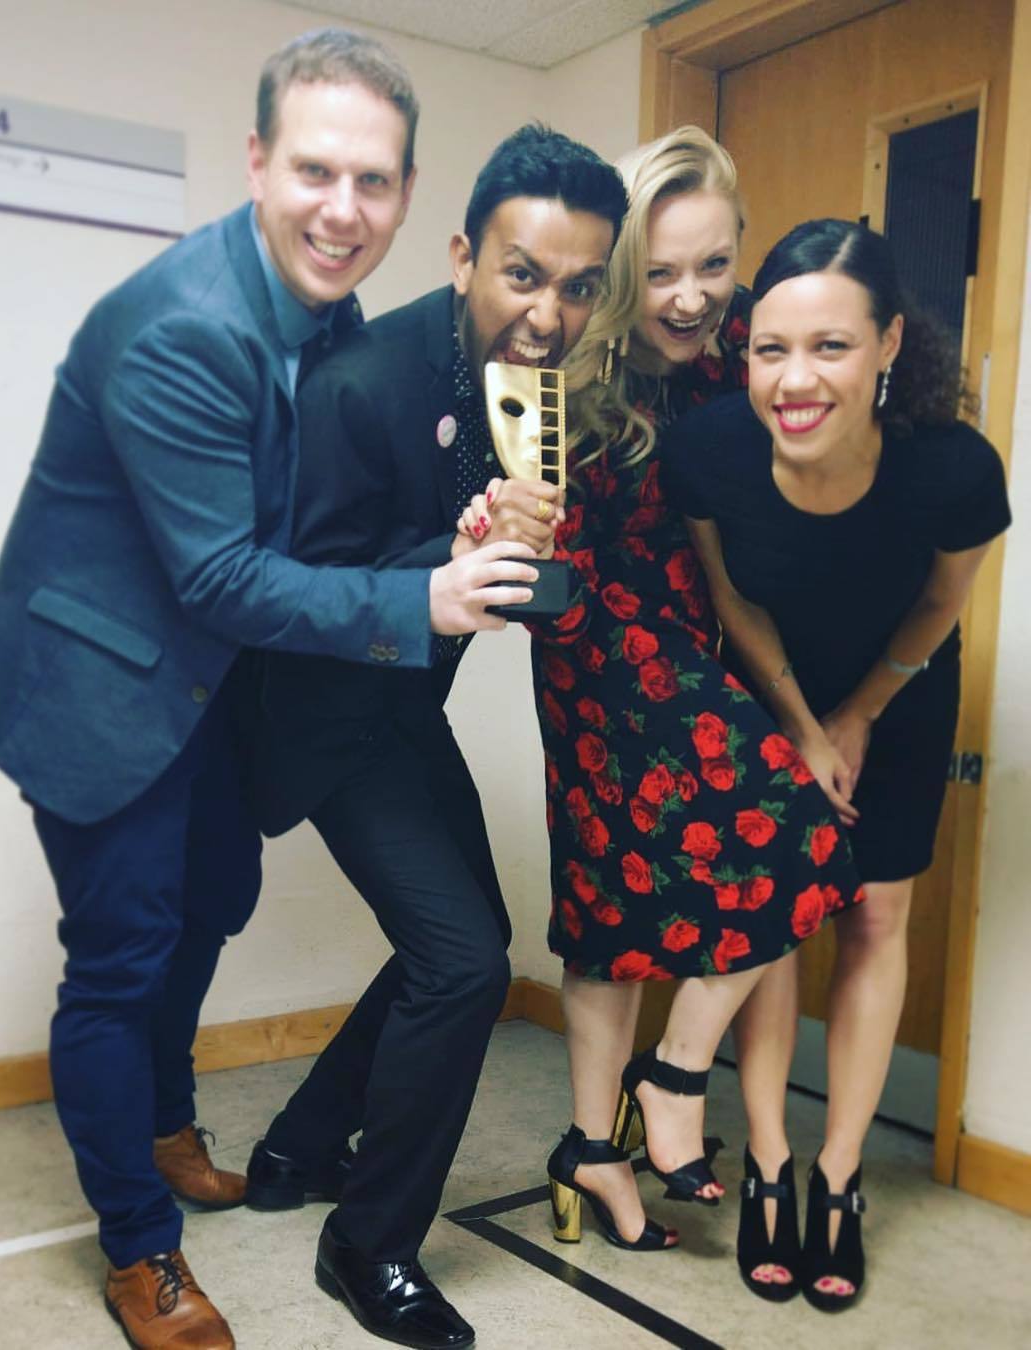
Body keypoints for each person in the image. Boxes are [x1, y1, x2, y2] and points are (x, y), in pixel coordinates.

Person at [0, 30, 536, 1350]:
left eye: (374, 180)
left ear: (406, 192)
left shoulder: (328, 319)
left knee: (213, 899)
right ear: (260, 161)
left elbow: (309, 524)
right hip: (100, 683)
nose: (344, 208)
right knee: (121, 961)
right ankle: (139, 1248)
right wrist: (421, 597)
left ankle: (164, 1125)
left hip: (215, 683)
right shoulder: (182, 327)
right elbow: (222, 573)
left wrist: (445, 540)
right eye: (317, 170)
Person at [240, 125, 627, 1350]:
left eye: (579, 286)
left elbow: (502, 582)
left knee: (466, 944)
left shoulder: (529, 391)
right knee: (463, 965)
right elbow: (292, 597)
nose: (549, 314)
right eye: (523, 275)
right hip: (317, 709)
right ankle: (368, 1241)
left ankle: (299, 1147)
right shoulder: (360, 383)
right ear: (464, 256)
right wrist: (452, 560)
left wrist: (528, 559)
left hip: (402, 705)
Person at [459, 128, 861, 1265]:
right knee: (614, 915)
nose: (691, 298)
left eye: (715, 265)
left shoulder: (745, 346)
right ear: (623, 265)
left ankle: (627, 1118)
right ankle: (639, 1111)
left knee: (777, 852)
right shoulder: (560, 373)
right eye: (662, 271)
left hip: (709, 643)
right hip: (598, 658)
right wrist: (511, 541)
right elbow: (534, 577)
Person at [668, 218, 1011, 1310]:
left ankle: (840, 1175)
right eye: (772, 349)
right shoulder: (710, 449)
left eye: (832, 346)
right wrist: (805, 727)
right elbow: (732, 595)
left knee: (872, 918)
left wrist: (858, 716)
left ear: (889, 344)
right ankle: (770, 1161)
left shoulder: (954, 470)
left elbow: (942, 605)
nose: (796, 380)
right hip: (769, 688)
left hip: (899, 692)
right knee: (773, 921)